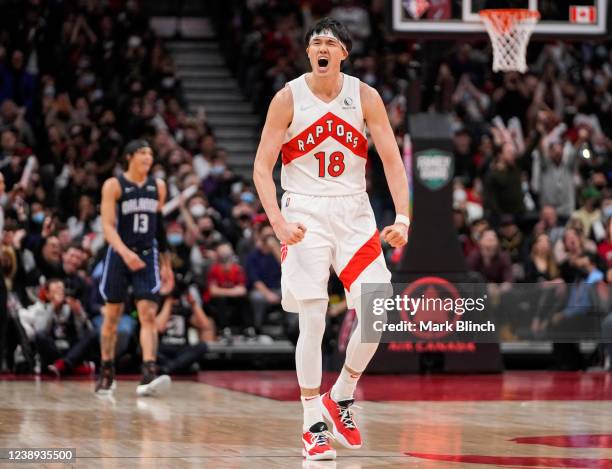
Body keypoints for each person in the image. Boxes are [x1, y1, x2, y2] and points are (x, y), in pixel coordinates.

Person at [253, 18, 409, 461]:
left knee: (378, 310)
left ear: (344, 53)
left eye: (330, 42)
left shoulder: (364, 96)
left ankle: (339, 396)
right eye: (315, 42)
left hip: (354, 212)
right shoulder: (287, 98)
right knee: (314, 319)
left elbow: (393, 162)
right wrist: (279, 222)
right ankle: (311, 423)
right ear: (308, 53)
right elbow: (261, 169)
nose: (321, 47)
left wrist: (403, 218)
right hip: (304, 210)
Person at [96, 140, 174, 396]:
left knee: (148, 314)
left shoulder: (158, 186)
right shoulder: (114, 185)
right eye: (142, 152)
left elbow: (159, 228)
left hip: (147, 255)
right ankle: (107, 370)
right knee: (112, 317)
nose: (148, 157)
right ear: (129, 157)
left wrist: (166, 264)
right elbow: (107, 226)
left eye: (151, 153)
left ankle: (149, 371)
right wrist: (125, 253)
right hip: (119, 254)